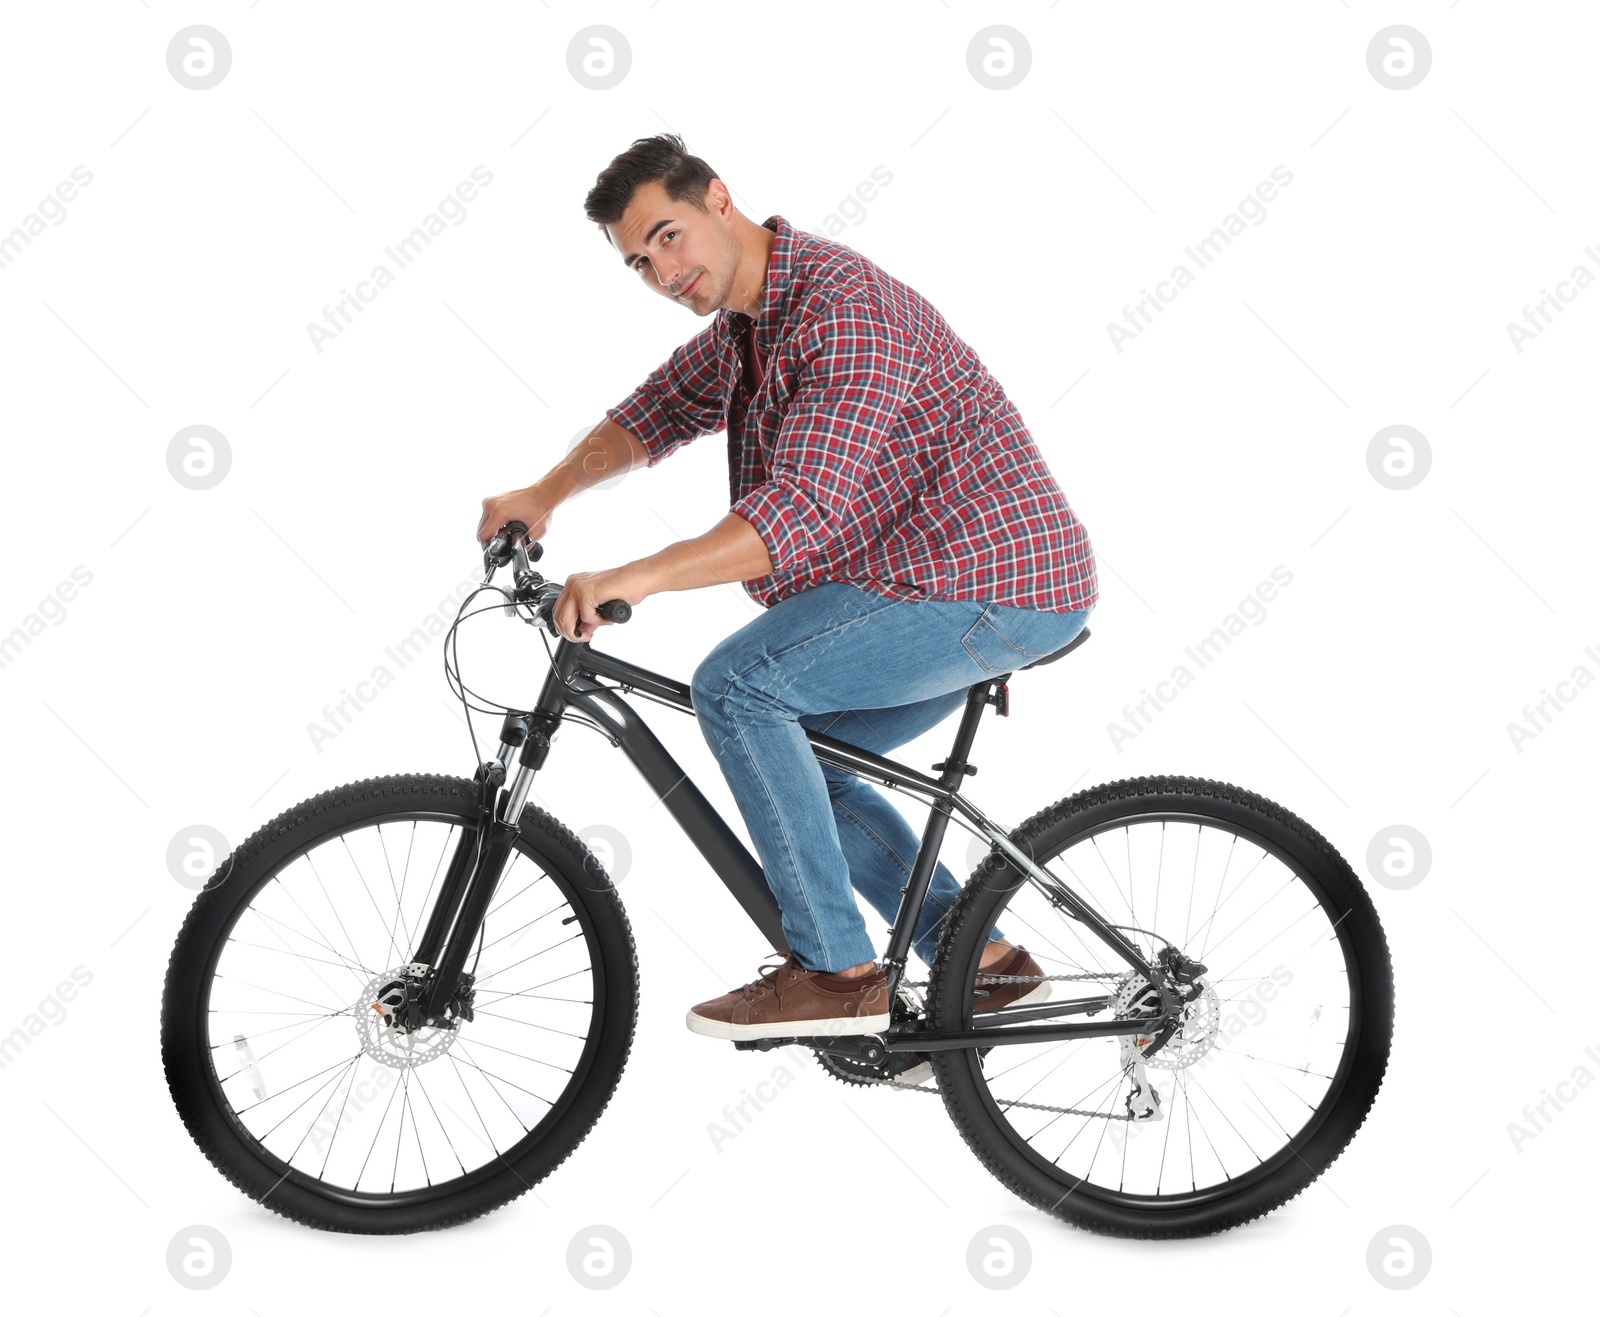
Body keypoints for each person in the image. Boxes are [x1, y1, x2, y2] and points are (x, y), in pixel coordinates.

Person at [477, 134, 1096, 1045]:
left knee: (739, 686)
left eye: (669, 236)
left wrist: (631, 578)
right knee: (797, 758)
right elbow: (651, 414)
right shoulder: (748, 321)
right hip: (921, 575)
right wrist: (547, 491)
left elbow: (794, 514)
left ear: (719, 199)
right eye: (639, 263)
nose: (662, 273)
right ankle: (986, 964)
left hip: (997, 583)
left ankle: (840, 976)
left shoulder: (844, 313)